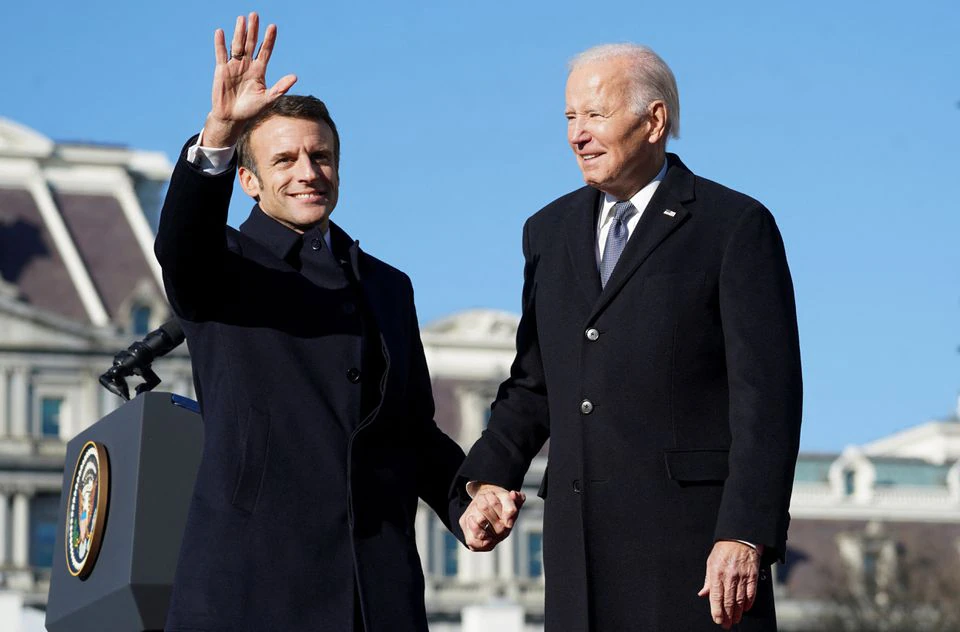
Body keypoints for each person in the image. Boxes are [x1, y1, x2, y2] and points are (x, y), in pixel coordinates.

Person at [457, 44, 803, 631]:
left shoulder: (733, 226)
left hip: (695, 561)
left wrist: (744, 532)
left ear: (654, 120)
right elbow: (535, 382)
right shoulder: (547, 231)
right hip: (578, 558)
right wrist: (489, 474)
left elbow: (768, 397)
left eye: (594, 115)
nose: (577, 135)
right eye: (569, 118)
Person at [154, 13, 465, 632]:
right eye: (286, 158)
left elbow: (409, 430)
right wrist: (218, 132)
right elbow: (181, 244)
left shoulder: (387, 286)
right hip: (252, 592)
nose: (308, 171)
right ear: (247, 180)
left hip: (374, 595)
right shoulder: (222, 268)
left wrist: (466, 498)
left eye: (320, 156)